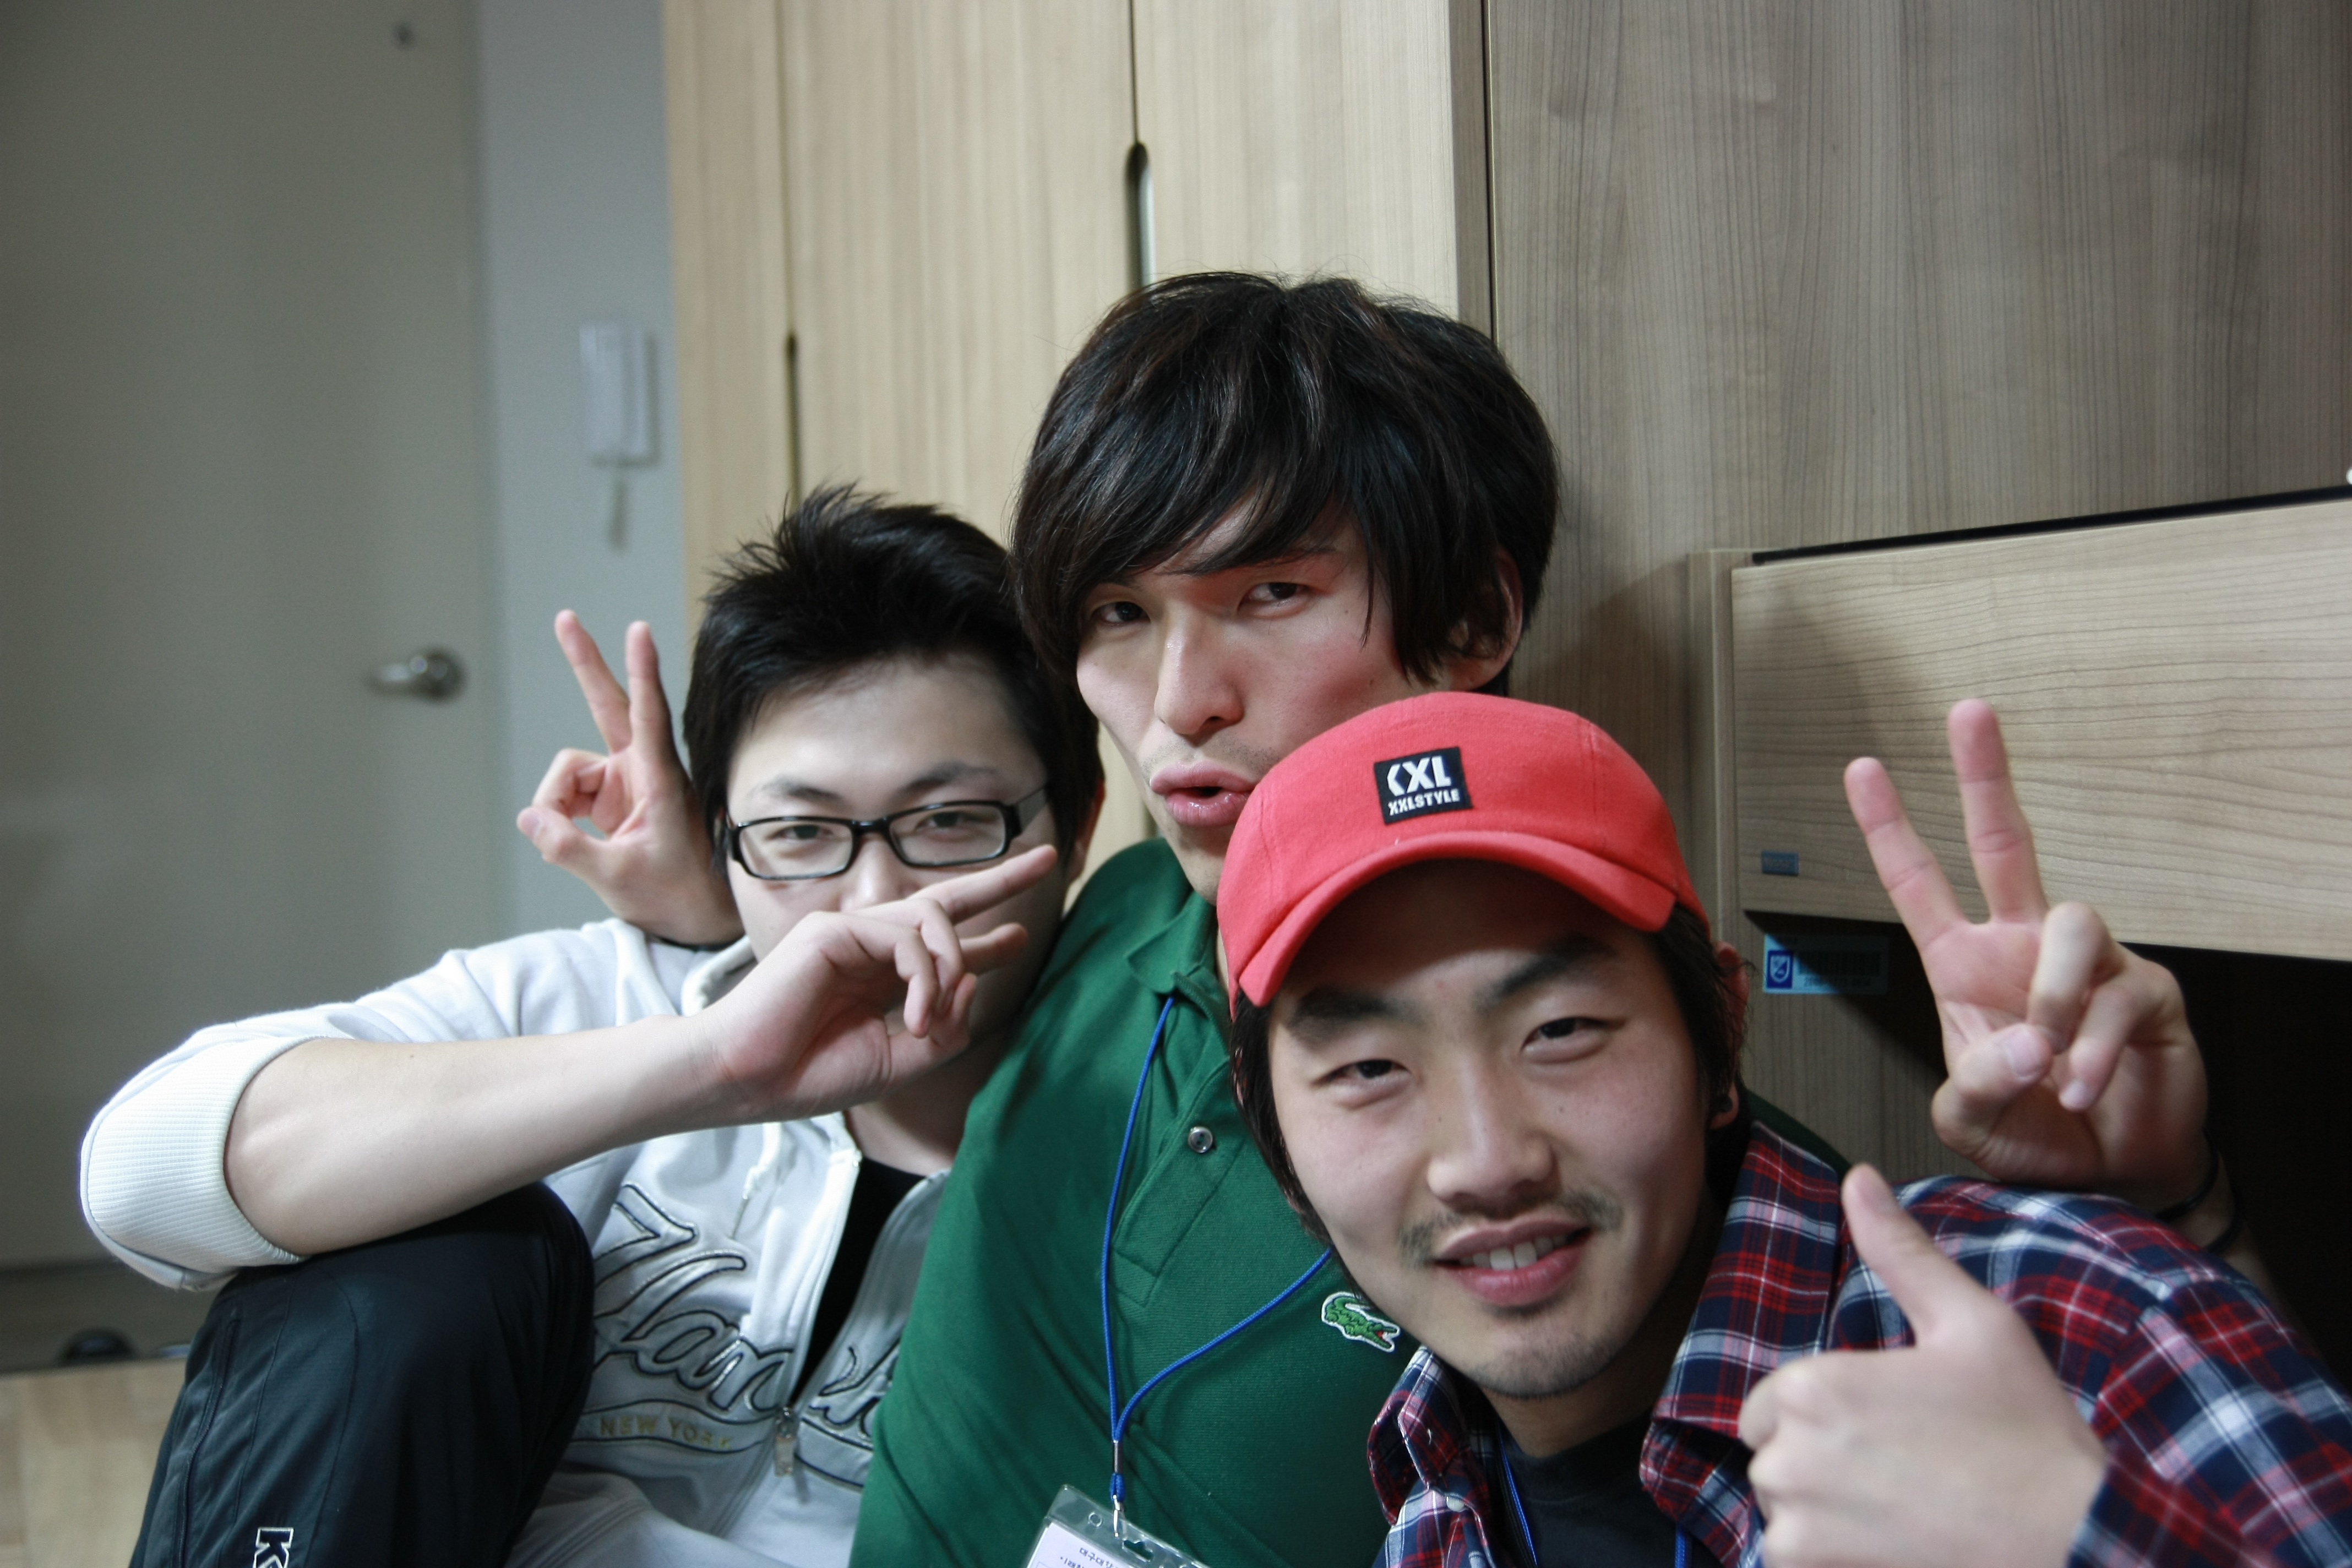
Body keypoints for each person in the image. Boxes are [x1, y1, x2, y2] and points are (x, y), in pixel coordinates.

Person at [587, 275, 2237, 1567]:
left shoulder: (1602, 1180)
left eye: (1270, 594)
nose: (1179, 700)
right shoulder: (1108, 903)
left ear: (1470, 618)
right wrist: (710, 893)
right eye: (1118, 613)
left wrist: (2150, 1212)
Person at [79, 489, 1101, 1567]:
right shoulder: (600, 996)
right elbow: (141, 1179)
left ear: (1077, 821)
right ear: (722, 843)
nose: (874, 901)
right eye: (800, 832)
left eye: (951, 821)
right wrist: (710, 1063)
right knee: (428, 1263)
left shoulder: (1139, 1149)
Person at [1217, 690, 2351, 1566]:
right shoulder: (1434, 1490)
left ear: (1718, 1035)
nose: (1487, 1160)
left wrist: (2086, 1542)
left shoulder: (2080, 1321)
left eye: (1560, 1030)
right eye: (1369, 1069)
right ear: (1280, 1149)